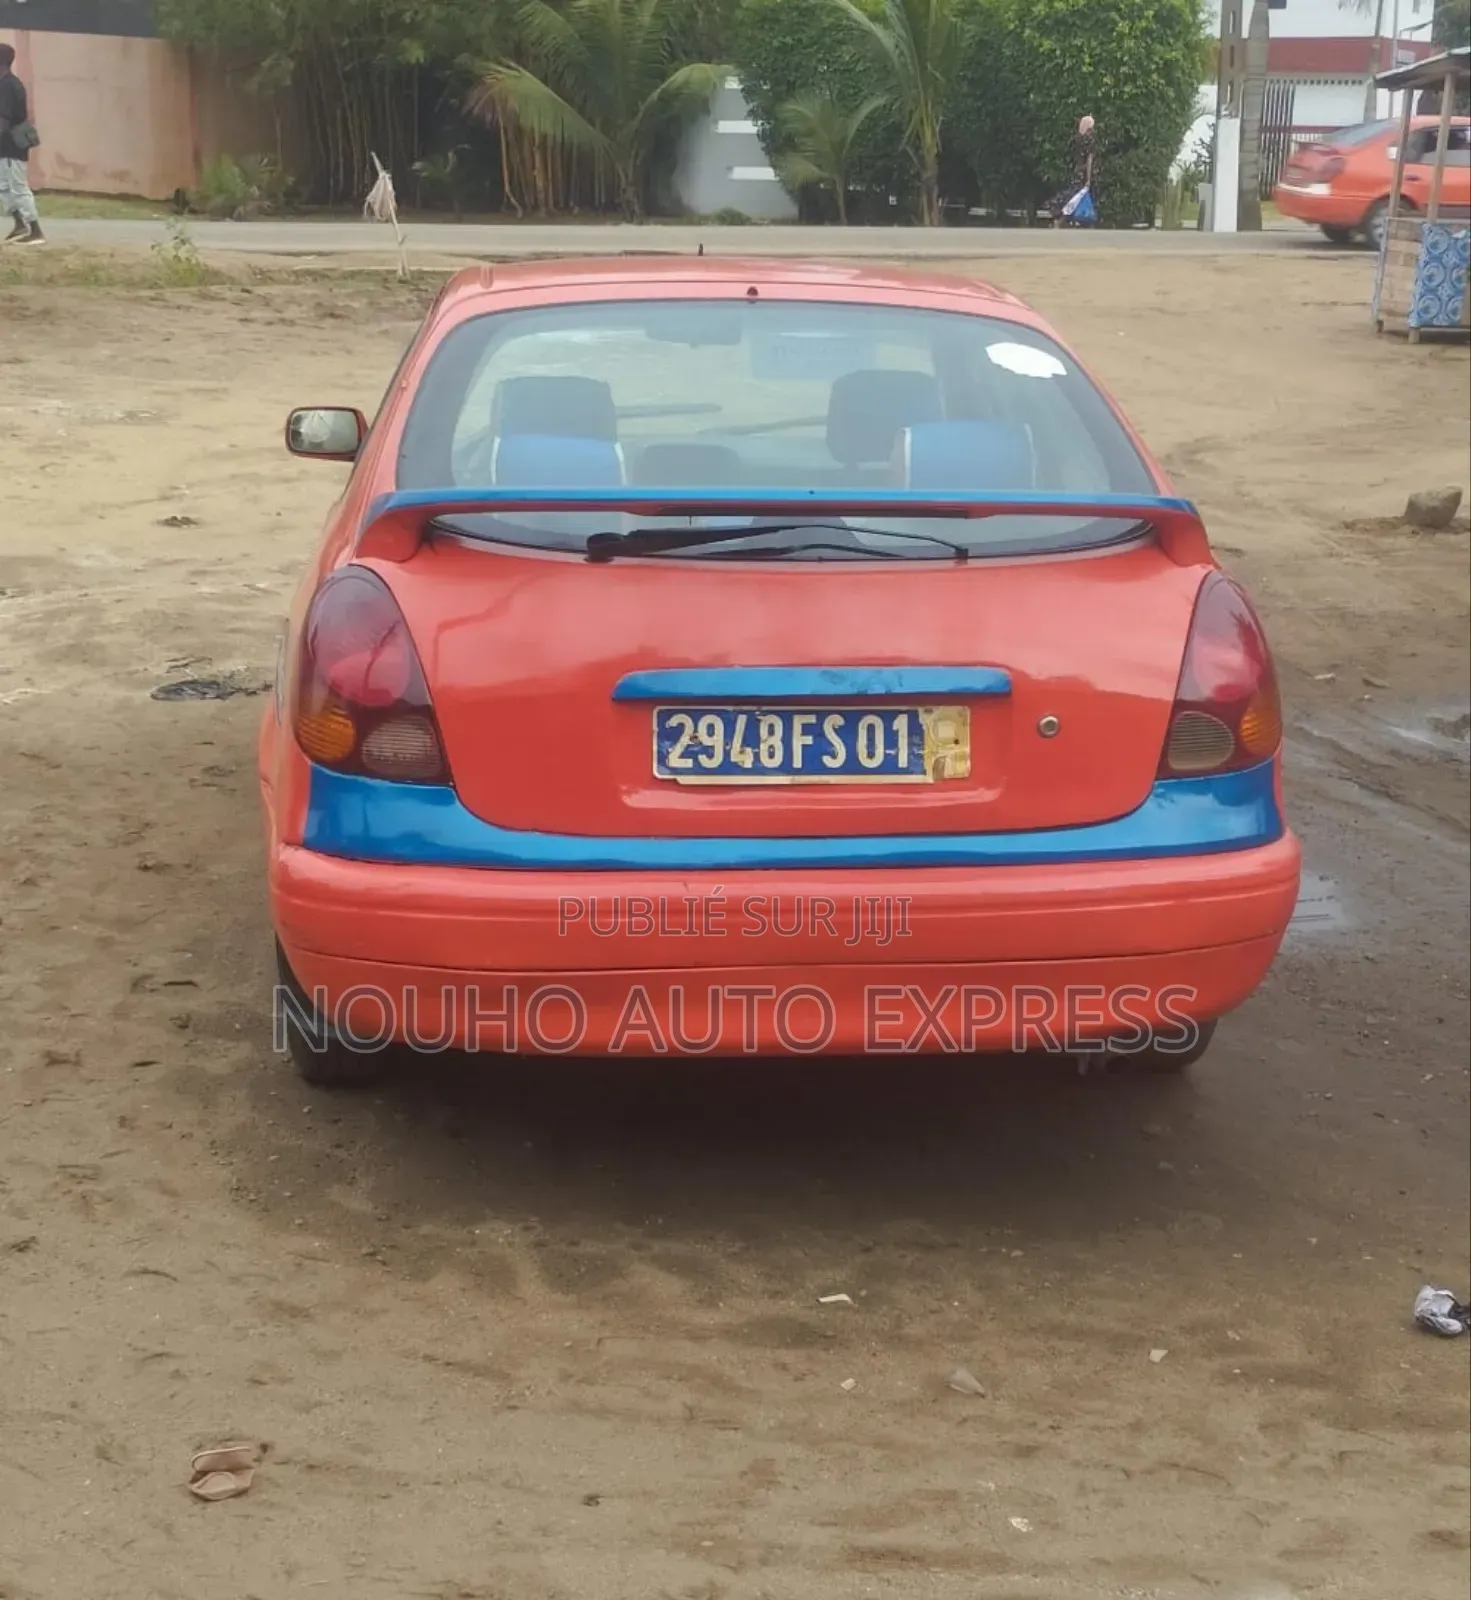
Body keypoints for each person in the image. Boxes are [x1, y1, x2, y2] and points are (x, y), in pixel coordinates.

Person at [0, 43, 44, 246]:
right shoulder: (6, 83)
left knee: (18, 187)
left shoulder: (8, 85)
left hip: (12, 146)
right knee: (4, 187)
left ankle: (35, 230)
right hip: (4, 146)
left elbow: (4, 120)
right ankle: (19, 225)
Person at [1049, 115, 1096, 228]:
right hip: (1083, 174)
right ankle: (1062, 221)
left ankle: (1083, 222)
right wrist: (1089, 178)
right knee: (1076, 199)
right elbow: (1089, 161)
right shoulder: (1090, 141)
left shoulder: (1076, 139)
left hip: (1075, 171)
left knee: (1075, 198)